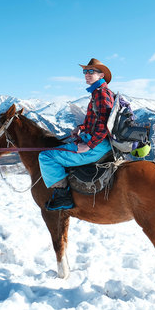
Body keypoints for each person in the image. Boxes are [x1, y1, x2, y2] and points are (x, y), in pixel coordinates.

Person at [39, 58, 114, 211]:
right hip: (96, 141)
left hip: (98, 146)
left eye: (91, 71)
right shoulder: (98, 92)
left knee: (46, 156)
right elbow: (94, 120)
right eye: (85, 71)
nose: (86, 74)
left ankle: (63, 197)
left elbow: (103, 125)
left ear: (101, 75)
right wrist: (81, 127)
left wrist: (88, 146)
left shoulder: (101, 94)